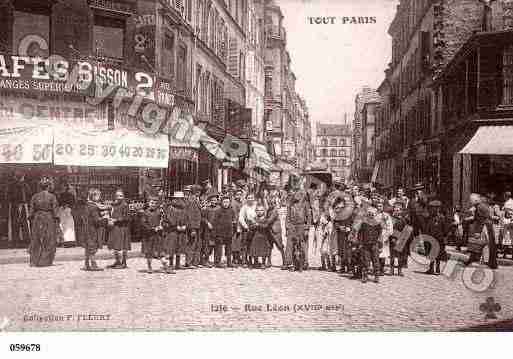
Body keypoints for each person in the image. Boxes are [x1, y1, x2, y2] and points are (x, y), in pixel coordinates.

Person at [28, 177, 59, 267]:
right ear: (48, 186)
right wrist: (57, 221)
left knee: (36, 239)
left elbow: (31, 212)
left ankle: (34, 261)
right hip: (48, 218)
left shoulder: (34, 196)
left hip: (37, 218)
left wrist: (32, 221)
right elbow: (55, 211)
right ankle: (45, 261)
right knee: (49, 239)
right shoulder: (52, 196)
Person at [79, 188, 109, 271]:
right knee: (93, 246)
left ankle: (86, 264)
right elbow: (97, 220)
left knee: (88, 247)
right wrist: (105, 219)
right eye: (98, 195)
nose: (99, 197)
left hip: (86, 228)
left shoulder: (87, 205)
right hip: (92, 229)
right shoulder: (93, 207)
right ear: (94, 196)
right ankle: (93, 264)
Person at [141, 196, 173, 274]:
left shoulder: (159, 212)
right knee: (149, 252)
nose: (153, 204)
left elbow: (165, 221)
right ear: (148, 203)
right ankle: (149, 267)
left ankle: (166, 267)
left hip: (158, 235)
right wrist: (152, 228)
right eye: (152, 203)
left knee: (161, 251)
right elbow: (143, 224)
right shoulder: (145, 213)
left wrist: (162, 226)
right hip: (149, 235)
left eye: (155, 203)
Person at [286, 188, 312, 272]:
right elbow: (288, 217)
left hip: (301, 226)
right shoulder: (290, 205)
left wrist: (307, 228)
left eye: (299, 194)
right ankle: (291, 264)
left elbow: (309, 218)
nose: (296, 196)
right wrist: (287, 227)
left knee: (303, 246)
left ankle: (304, 263)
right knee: (291, 246)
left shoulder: (305, 204)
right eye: (295, 194)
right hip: (292, 226)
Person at [354, 206, 382, 283]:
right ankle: (365, 276)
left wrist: (380, 245)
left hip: (374, 244)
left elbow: (380, 234)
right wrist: (360, 243)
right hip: (365, 245)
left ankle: (376, 276)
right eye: (369, 213)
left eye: (372, 214)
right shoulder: (364, 223)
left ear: (375, 214)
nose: (371, 215)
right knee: (365, 261)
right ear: (367, 214)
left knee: (376, 261)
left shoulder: (377, 224)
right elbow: (360, 234)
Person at [424, 200, 449, 275]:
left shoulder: (441, 218)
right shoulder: (429, 217)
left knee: (438, 253)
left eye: (435, 208)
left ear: (438, 209)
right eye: (432, 208)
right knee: (431, 253)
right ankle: (431, 268)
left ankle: (437, 269)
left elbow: (445, 229)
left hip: (439, 238)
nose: (433, 210)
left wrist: (444, 237)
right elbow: (427, 227)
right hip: (431, 238)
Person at [212, 195, 236, 268]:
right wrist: (215, 233)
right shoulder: (218, 211)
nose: (226, 204)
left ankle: (229, 262)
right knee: (219, 248)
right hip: (220, 233)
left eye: (227, 202)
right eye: (224, 202)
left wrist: (233, 230)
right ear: (221, 203)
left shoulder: (231, 211)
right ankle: (217, 262)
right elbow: (215, 222)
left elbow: (234, 220)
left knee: (229, 248)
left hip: (229, 232)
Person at [264, 194, 285, 268]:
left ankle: (285, 262)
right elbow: (266, 218)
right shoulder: (268, 210)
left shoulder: (275, 210)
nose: (270, 204)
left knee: (280, 246)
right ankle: (269, 262)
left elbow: (269, 220)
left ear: (275, 203)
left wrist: (261, 222)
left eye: (272, 203)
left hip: (276, 231)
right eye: (269, 203)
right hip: (269, 230)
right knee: (269, 247)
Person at [184, 185, 202, 269]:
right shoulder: (191, 201)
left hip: (197, 226)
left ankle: (195, 262)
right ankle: (189, 262)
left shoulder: (195, 199)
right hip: (193, 226)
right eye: (198, 191)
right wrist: (193, 229)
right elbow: (190, 216)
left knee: (197, 244)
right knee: (191, 244)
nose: (200, 192)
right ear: (196, 192)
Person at [389, 202, 409, 276]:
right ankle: (391, 270)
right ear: (393, 209)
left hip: (400, 240)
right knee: (392, 256)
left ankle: (400, 270)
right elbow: (389, 229)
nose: (397, 211)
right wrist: (393, 238)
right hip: (392, 239)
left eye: (398, 210)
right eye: (395, 209)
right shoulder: (391, 219)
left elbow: (406, 230)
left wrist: (401, 239)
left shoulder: (403, 220)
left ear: (401, 211)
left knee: (400, 256)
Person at [238, 193, 258, 267]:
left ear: (254, 198)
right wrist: (245, 226)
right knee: (245, 244)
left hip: (255, 226)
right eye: (248, 198)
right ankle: (244, 260)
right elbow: (241, 218)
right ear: (246, 199)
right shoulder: (244, 207)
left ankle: (254, 260)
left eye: (251, 198)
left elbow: (260, 214)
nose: (250, 199)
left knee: (254, 244)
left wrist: (257, 223)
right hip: (247, 227)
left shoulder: (256, 206)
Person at [201, 193, 220, 267]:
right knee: (207, 245)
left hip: (217, 230)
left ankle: (217, 261)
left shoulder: (219, 208)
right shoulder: (207, 209)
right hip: (208, 229)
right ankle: (205, 260)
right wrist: (207, 223)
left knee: (217, 246)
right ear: (210, 201)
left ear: (217, 200)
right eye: (212, 200)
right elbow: (203, 218)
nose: (213, 201)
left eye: (215, 200)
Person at [376, 200, 393, 276]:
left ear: (383, 207)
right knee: (376, 252)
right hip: (376, 235)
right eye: (378, 206)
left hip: (384, 235)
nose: (379, 207)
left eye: (380, 206)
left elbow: (390, 226)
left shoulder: (386, 215)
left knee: (383, 253)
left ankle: (382, 269)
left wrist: (387, 234)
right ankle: (376, 268)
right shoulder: (374, 214)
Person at [231, 189, 245, 265]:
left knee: (239, 241)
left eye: (240, 194)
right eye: (237, 194)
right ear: (234, 195)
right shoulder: (234, 203)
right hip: (235, 224)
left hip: (241, 223)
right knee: (235, 241)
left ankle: (238, 257)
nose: (239, 196)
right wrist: (237, 225)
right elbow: (235, 215)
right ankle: (235, 258)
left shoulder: (241, 202)